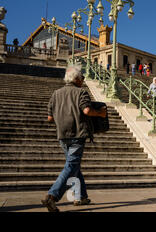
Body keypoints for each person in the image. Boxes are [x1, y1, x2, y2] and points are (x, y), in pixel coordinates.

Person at [42, 66, 107, 212]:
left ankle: (81, 196)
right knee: (71, 166)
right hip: (77, 134)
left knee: (74, 165)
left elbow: (49, 118)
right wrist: (101, 114)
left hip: (62, 135)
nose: (83, 80)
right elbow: (87, 110)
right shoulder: (81, 92)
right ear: (76, 79)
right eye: (82, 78)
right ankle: (52, 196)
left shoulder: (55, 94)